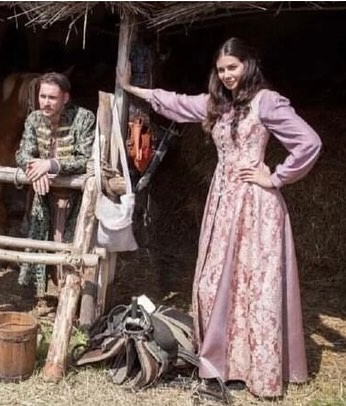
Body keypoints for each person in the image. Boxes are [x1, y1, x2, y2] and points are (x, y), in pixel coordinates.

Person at [121, 37, 322, 398]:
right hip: (222, 201)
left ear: (248, 65)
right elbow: (176, 103)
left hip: (255, 205)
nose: (228, 75)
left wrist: (276, 177)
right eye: (221, 69)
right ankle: (222, 360)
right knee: (212, 283)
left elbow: (309, 142)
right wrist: (132, 87)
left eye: (233, 67)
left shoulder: (266, 101)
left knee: (253, 284)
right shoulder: (217, 105)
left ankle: (255, 368)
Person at [15, 72, 95, 298]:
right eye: (42, 96)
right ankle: (43, 297)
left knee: (72, 247)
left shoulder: (84, 118)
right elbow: (22, 153)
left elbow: (85, 158)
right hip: (44, 196)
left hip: (76, 199)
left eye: (52, 97)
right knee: (41, 243)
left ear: (65, 98)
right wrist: (35, 170)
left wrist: (50, 165)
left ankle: (71, 298)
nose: (46, 102)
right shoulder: (34, 119)